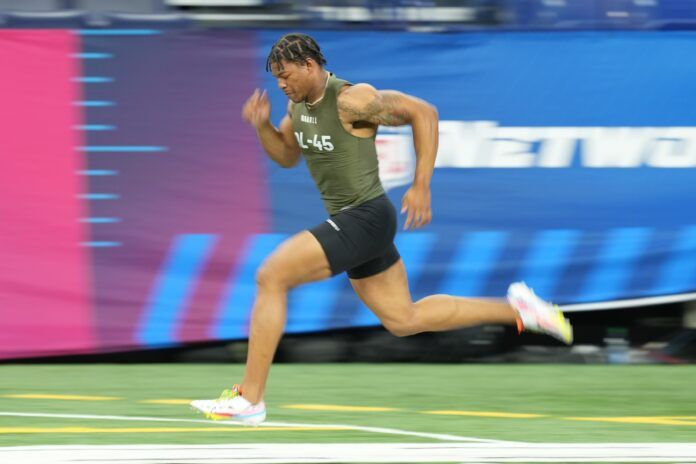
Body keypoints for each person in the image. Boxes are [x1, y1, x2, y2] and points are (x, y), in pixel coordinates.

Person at [191, 33, 572, 426]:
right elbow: (287, 155)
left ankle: (250, 398)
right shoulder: (297, 105)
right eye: (276, 79)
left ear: (309, 65)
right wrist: (262, 126)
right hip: (359, 224)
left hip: (366, 217)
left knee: (271, 275)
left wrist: (421, 184)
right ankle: (520, 310)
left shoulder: (351, 99)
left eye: (285, 75)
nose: (281, 85)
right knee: (403, 319)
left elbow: (424, 113)